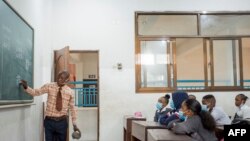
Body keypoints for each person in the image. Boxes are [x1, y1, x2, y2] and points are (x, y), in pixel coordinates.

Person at [20, 70, 80, 141]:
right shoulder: (49, 86)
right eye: (58, 77)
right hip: (49, 122)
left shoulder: (70, 92)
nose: (58, 79)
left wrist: (74, 124)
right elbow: (36, 92)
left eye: (61, 78)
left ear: (67, 80)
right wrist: (26, 87)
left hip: (62, 123)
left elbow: (73, 109)